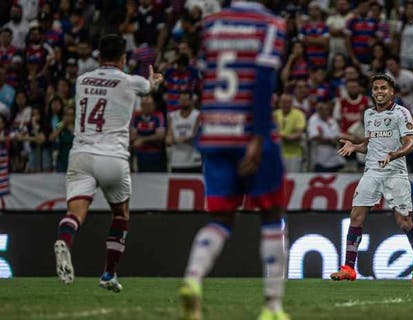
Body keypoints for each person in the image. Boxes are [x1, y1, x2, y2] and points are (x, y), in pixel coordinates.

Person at [178, 1, 290, 320]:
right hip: (251, 133)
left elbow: (209, 76)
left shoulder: (211, 25)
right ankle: (272, 306)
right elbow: (264, 80)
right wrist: (256, 136)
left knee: (221, 218)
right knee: (271, 215)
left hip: (214, 131)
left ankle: (193, 278)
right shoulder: (270, 25)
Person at [53, 34, 163, 292]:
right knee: (121, 215)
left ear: (99, 56)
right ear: (123, 59)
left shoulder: (81, 80)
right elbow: (149, 86)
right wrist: (155, 81)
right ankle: (108, 274)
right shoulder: (129, 81)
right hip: (113, 157)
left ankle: (63, 241)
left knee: (75, 214)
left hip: (80, 155)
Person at [330, 74, 413, 285]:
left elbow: (411, 143)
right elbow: (371, 144)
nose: (379, 91)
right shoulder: (369, 114)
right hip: (372, 171)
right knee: (356, 216)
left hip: (395, 172)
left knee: (404, 222)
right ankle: (349, 268)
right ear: (372, 92)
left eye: (383, 88)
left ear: (392, 91)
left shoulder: (402, 113)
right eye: (376, 88)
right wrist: (356, 147)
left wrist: (394, 154)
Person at [166, 91, 201, 173]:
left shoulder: (198, 115)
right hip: (176, 161)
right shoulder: (172, 116)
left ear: (192, 101)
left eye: (186, 99)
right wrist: (169, 139)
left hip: (194, 160)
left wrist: (185, 139)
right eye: (181, 100)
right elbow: (169, 136)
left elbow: (196, 136)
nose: (183, 102)